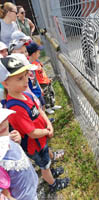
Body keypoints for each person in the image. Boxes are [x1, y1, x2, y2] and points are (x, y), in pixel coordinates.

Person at [0, 55, 70, 193]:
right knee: (44, 165)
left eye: (26, 75)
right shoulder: (15, 108)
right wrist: (46, 131)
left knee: (46, 159)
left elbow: (39, 110)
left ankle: (51, 170)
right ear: (5, 83)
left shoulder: (25, 95)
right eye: (20, 78)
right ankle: (53, 183)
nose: (26, 80)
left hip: (41, 139)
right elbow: (31, 132)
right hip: (34, 145)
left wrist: (48, 125)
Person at [0, 104, 38, 200]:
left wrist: (17, 140)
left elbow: (15, 150)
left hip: (30, 185)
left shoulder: (5, 136)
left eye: (3, 117)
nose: (2, 124)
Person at [26, 41, 62, 114]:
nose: (39, 54)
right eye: (38, 52)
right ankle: (48, 107)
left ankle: (52, 105)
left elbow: (42, 72)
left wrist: (48, 79)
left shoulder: (37, 61)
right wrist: (39, 86)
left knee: (51, 92)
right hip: (41, 83)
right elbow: (34, 78)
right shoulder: (30, 65)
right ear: (33, 54)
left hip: (46, 80)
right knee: (46, 95)